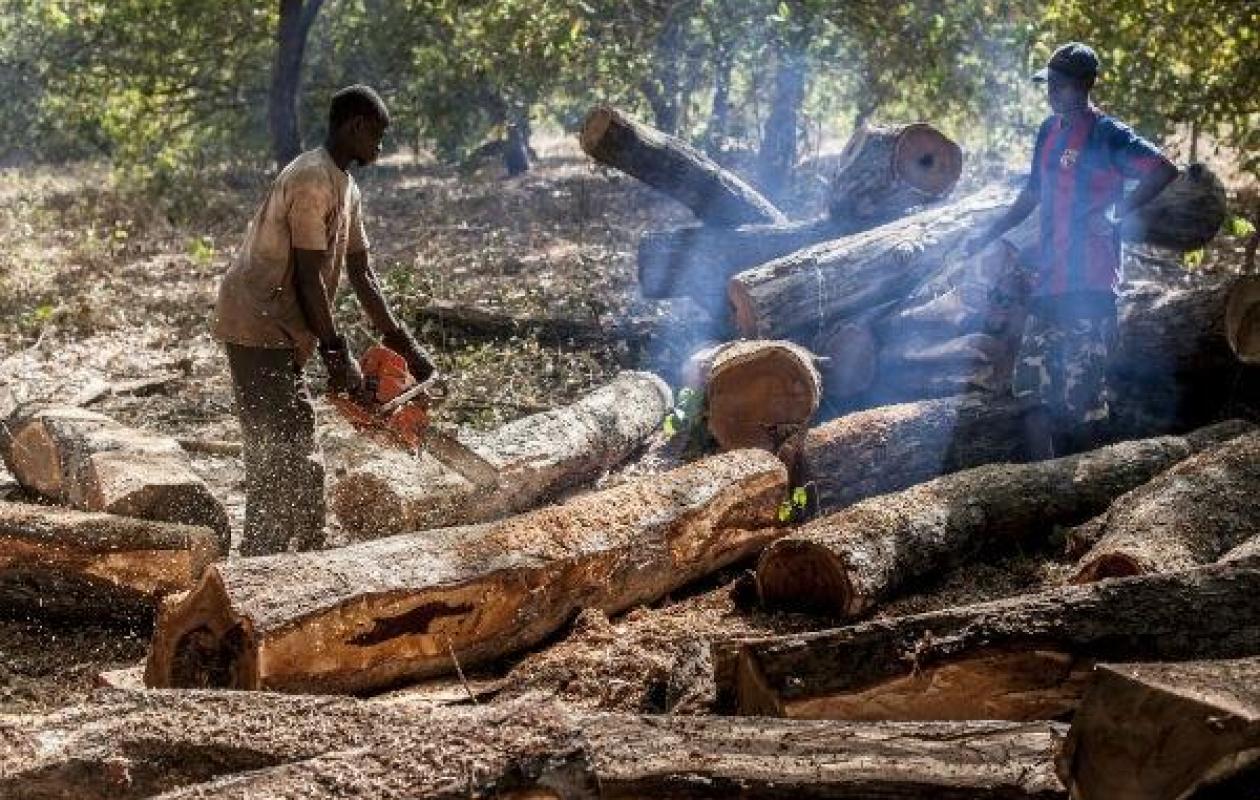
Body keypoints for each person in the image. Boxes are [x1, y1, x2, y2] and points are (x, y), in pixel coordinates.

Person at [212, 84, 435, 555]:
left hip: (285, 325)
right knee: (278, 450)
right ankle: (259, 564)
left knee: (299, 447)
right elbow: (310, 280)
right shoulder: (312, 179)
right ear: (355, 126)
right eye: (378, 134)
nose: (381, 145)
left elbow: (362, 272)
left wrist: (403, 344)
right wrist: (338, 356)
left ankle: (309, 553)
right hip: (257, 321)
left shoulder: (346, 185)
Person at [964, 42, 1177, 457]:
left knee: (1083, 407)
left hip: (1091, 288)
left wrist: (1116, 214)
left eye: (1059, 85)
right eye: (1048, 85)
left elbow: (1163, 169)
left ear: (1084, 85)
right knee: (1029, 394)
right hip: (1050, 284)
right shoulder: (1048, 131)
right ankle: (1040, 491)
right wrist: (989, 233)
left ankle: (1087, 502)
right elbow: (1031, 194)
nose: (1051, 93)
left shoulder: (1107, 134)